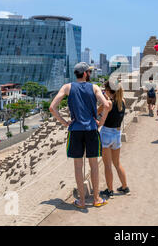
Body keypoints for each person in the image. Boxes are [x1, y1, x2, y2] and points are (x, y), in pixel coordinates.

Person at [50, 62, 111, 209]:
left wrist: (65, 123)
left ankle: (82, 201)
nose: (89, 74)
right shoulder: (94, 87)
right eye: (89, 72)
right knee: (94, 165)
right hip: (91, 129)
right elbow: (107, 105)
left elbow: (52, 108)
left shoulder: (67, 87)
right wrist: (100, 122)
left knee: (78, 167)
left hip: (75, 130)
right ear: (85, 73)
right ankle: (96, 199)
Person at [98, 81, 130, 198]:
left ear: (107, 91)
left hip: (106, 133)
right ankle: (125, 186)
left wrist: (104, 99)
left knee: (107, 165)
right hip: (117, 133)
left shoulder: (108, 103)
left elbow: (96, 112)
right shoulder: (123, 101)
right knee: (117, 163)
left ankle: (110, 190)